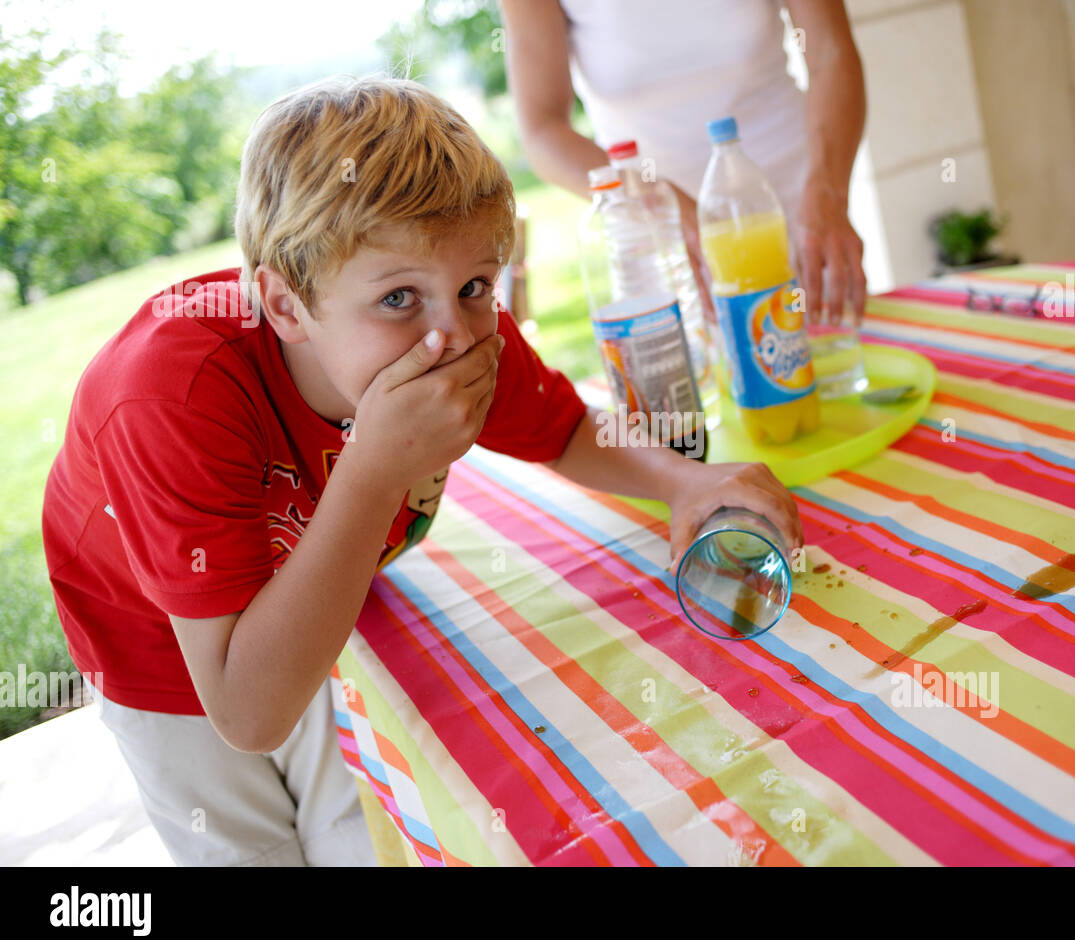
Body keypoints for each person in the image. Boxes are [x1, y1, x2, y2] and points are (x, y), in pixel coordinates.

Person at [40, 75, 804, 867]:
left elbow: (565, 426)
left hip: (315, 602)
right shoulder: (173, 397)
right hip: (169, 651)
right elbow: (246, 710)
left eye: (477, 285)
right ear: (287, 307)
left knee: (366, 835)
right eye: (398, 296)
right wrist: (372, 474)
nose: (454, 337)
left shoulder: (450, 318)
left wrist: (685, 482)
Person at [501, 0, 868, 325]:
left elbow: (829, 52)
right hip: (662, 246)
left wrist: (829, 190)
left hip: (800, 215)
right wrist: (653, 197)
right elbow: (543, 131)